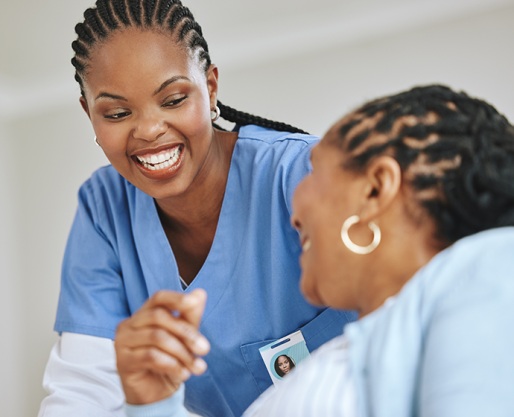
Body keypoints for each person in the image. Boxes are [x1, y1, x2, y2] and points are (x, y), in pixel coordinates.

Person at [116, 85, 514, 417]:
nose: (294, 211)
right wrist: (152, 404)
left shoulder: (487, 270)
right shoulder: (350, 355)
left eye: (317, 169)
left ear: (375, 189)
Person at [38, 1, 355, 416]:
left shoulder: (304, 176)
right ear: (89, 113)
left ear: (211, 87)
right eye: (117, 113)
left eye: (173, 99)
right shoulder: (104, 213)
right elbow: (80, 399)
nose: (149, 130)